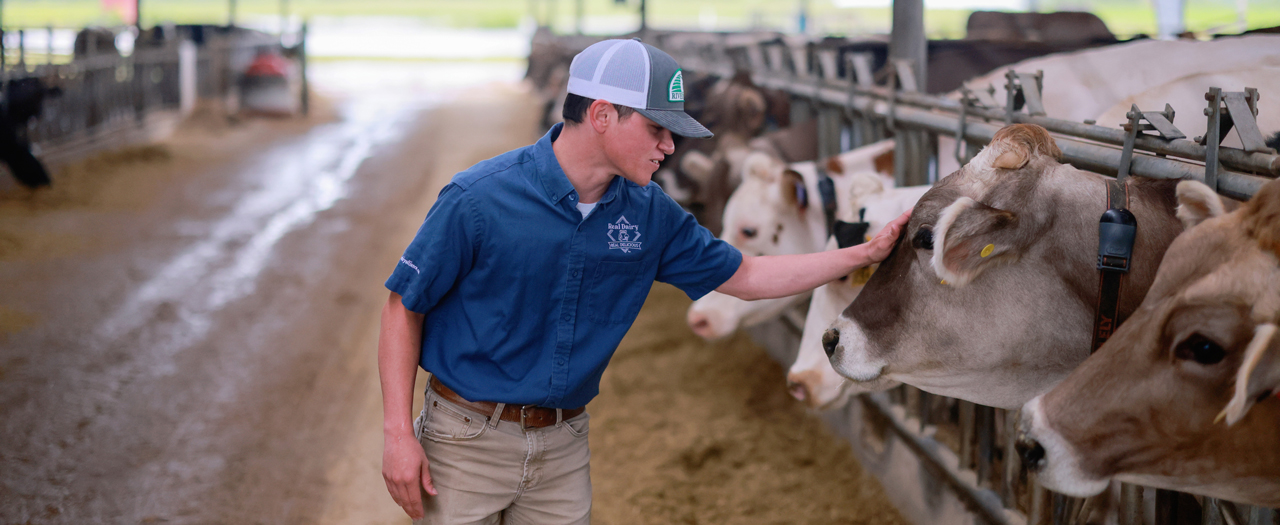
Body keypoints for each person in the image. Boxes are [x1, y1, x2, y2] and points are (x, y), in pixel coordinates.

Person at [378, 38, 910, 524]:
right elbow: (404, 307)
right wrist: (399, 434)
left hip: (562, 443)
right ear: (603, 114)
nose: (670, 147)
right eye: (657, 129)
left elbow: (745, 274)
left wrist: (858, 255)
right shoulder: (479, 199)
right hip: (465, 439)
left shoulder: (650, 214)